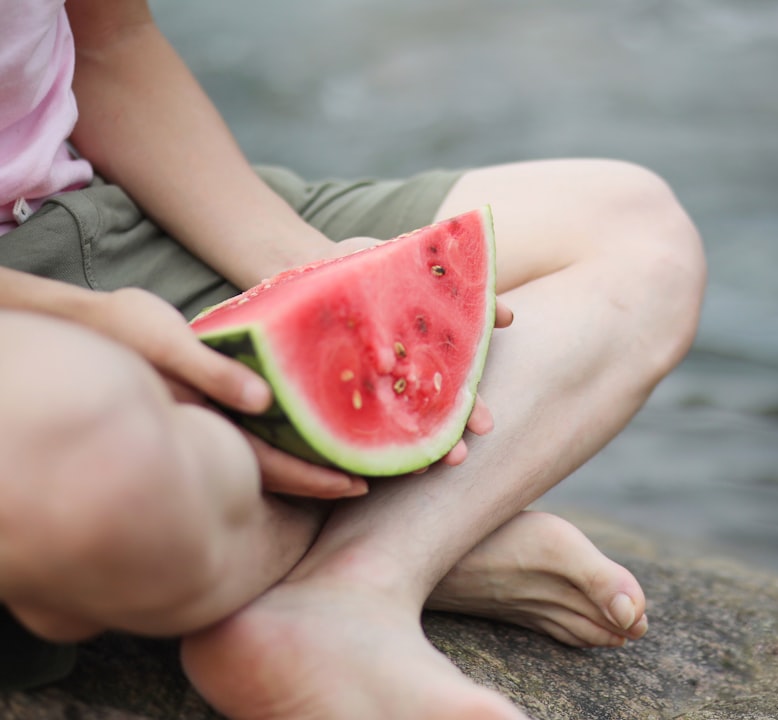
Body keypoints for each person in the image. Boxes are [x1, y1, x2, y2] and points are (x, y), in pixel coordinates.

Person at [0, 0, 706, 717]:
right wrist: (86, 322)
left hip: (98, 206)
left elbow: (111, 44)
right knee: (93, 478)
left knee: (635, 230)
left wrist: (307, 273)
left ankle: (356, 585)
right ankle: (427, 525)